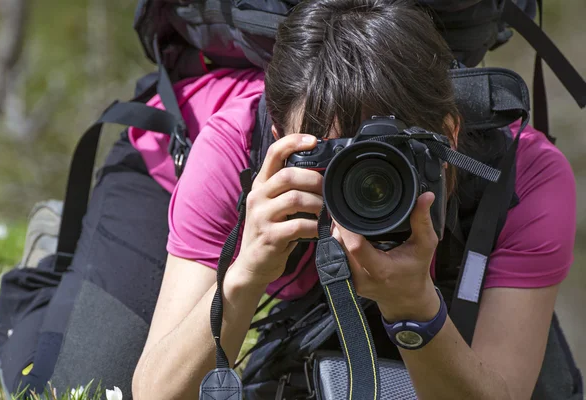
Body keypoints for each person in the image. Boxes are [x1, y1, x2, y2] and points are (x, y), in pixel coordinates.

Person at [130, 0, 577, 399]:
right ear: (280, 140)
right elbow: (157, 394)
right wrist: (246, 271)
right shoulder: (233, 152)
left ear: (449, 134)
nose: (360, 181)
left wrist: (413, 306)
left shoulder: (526, 177)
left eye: (387, 157)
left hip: (457, 269)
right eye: (330, 156)